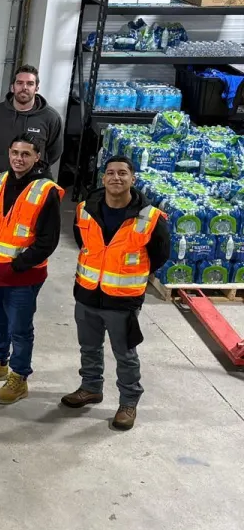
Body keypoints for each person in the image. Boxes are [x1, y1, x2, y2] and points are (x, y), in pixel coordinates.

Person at [64, 156, 169, 431]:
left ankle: (128, 402)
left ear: (133, 179)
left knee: (125, 354)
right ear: (103, 178)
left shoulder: (150, 217)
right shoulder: (86, 209)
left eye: (123, 173)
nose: (116, 178)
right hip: (86, 294)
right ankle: (90, 388)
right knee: (89, 347)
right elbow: (82, 242)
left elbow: (159, 256)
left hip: (122, 301)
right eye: (110, 173)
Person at [0, 136, 63, 403]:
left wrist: (18, 265)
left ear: (37, 157)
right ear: (8, 153)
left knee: (20, 328)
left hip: (23, 275)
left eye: (26, 154)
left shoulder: (46, 191)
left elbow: (48, 241)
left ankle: (19, 378)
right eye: (15, 152)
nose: (19, 158)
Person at [0, 65, 64, 304]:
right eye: (20, 83)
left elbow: (53, 151)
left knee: (28, 235)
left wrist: (31, 171)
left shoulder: (50, 117)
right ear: (12, 86)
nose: (24, 88)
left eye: (30, 83)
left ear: (37, 87)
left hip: (32, 189)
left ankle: (22, 276)